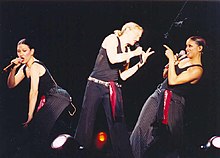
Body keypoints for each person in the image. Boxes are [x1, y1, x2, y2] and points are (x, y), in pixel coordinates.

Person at [74, 22, 155, 158]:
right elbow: (113, 59)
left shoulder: (128, 50)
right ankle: (75, 153)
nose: (138, 40)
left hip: (112, 88)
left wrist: (141, 63)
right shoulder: (111, 39)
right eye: (137, 35)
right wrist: (135, 54)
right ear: (128, 30)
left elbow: (123, 76)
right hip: (96, 85)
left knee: (118, 124)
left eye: (139, 37)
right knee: (87, 120)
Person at [130, 36, 206, 158]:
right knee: (140, 127)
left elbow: (173, 81)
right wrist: (171, 63)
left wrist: (171, 59)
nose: (187, 49)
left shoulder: (197, 70)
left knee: (169, 138)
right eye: (186, 45)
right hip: (159, 93)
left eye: (190, 46)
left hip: (174, 101)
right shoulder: (184, 58)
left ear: (200, 48)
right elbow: (165, 75)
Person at [7, 38, 76, 157]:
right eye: (19, 51)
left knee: (39, 129)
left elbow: (34, 91)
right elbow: (11, 84)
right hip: (51, 98)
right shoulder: (25, 68)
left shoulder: (34, 66)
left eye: (24, 50)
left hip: (58, 97)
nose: (21, 54)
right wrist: (13, 68)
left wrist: (30, 115)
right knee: (38, 131)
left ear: (32, 51)